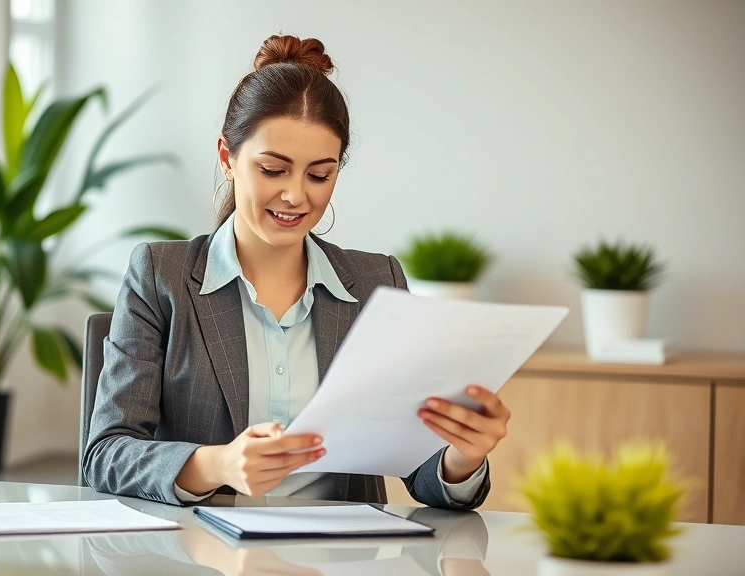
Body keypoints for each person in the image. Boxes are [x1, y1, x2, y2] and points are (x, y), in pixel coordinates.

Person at [83, 34, 510, 508]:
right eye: (273, 169)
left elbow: (417, 467)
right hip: (206, 556)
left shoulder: (377, 284)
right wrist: (219, 464)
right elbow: (106, 454)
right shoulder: (160, 276)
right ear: (227, 158)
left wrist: (462, 454)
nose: (296, 196)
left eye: (319, 175)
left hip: (339, 558)